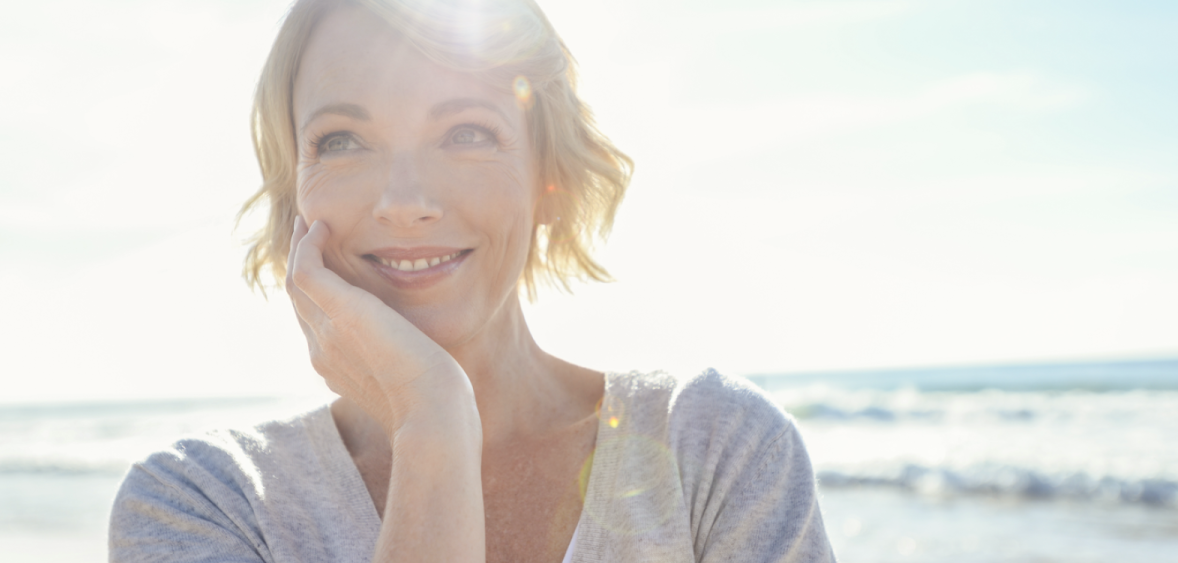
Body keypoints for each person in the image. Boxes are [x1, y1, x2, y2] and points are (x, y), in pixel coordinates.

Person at [109, 0, 836, 561]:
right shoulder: (201, 501)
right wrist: (433, 422)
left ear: (548, 175)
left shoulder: (717, 447)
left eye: (466, 133)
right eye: (342, 140)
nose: (404, 201)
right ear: (295, 187)